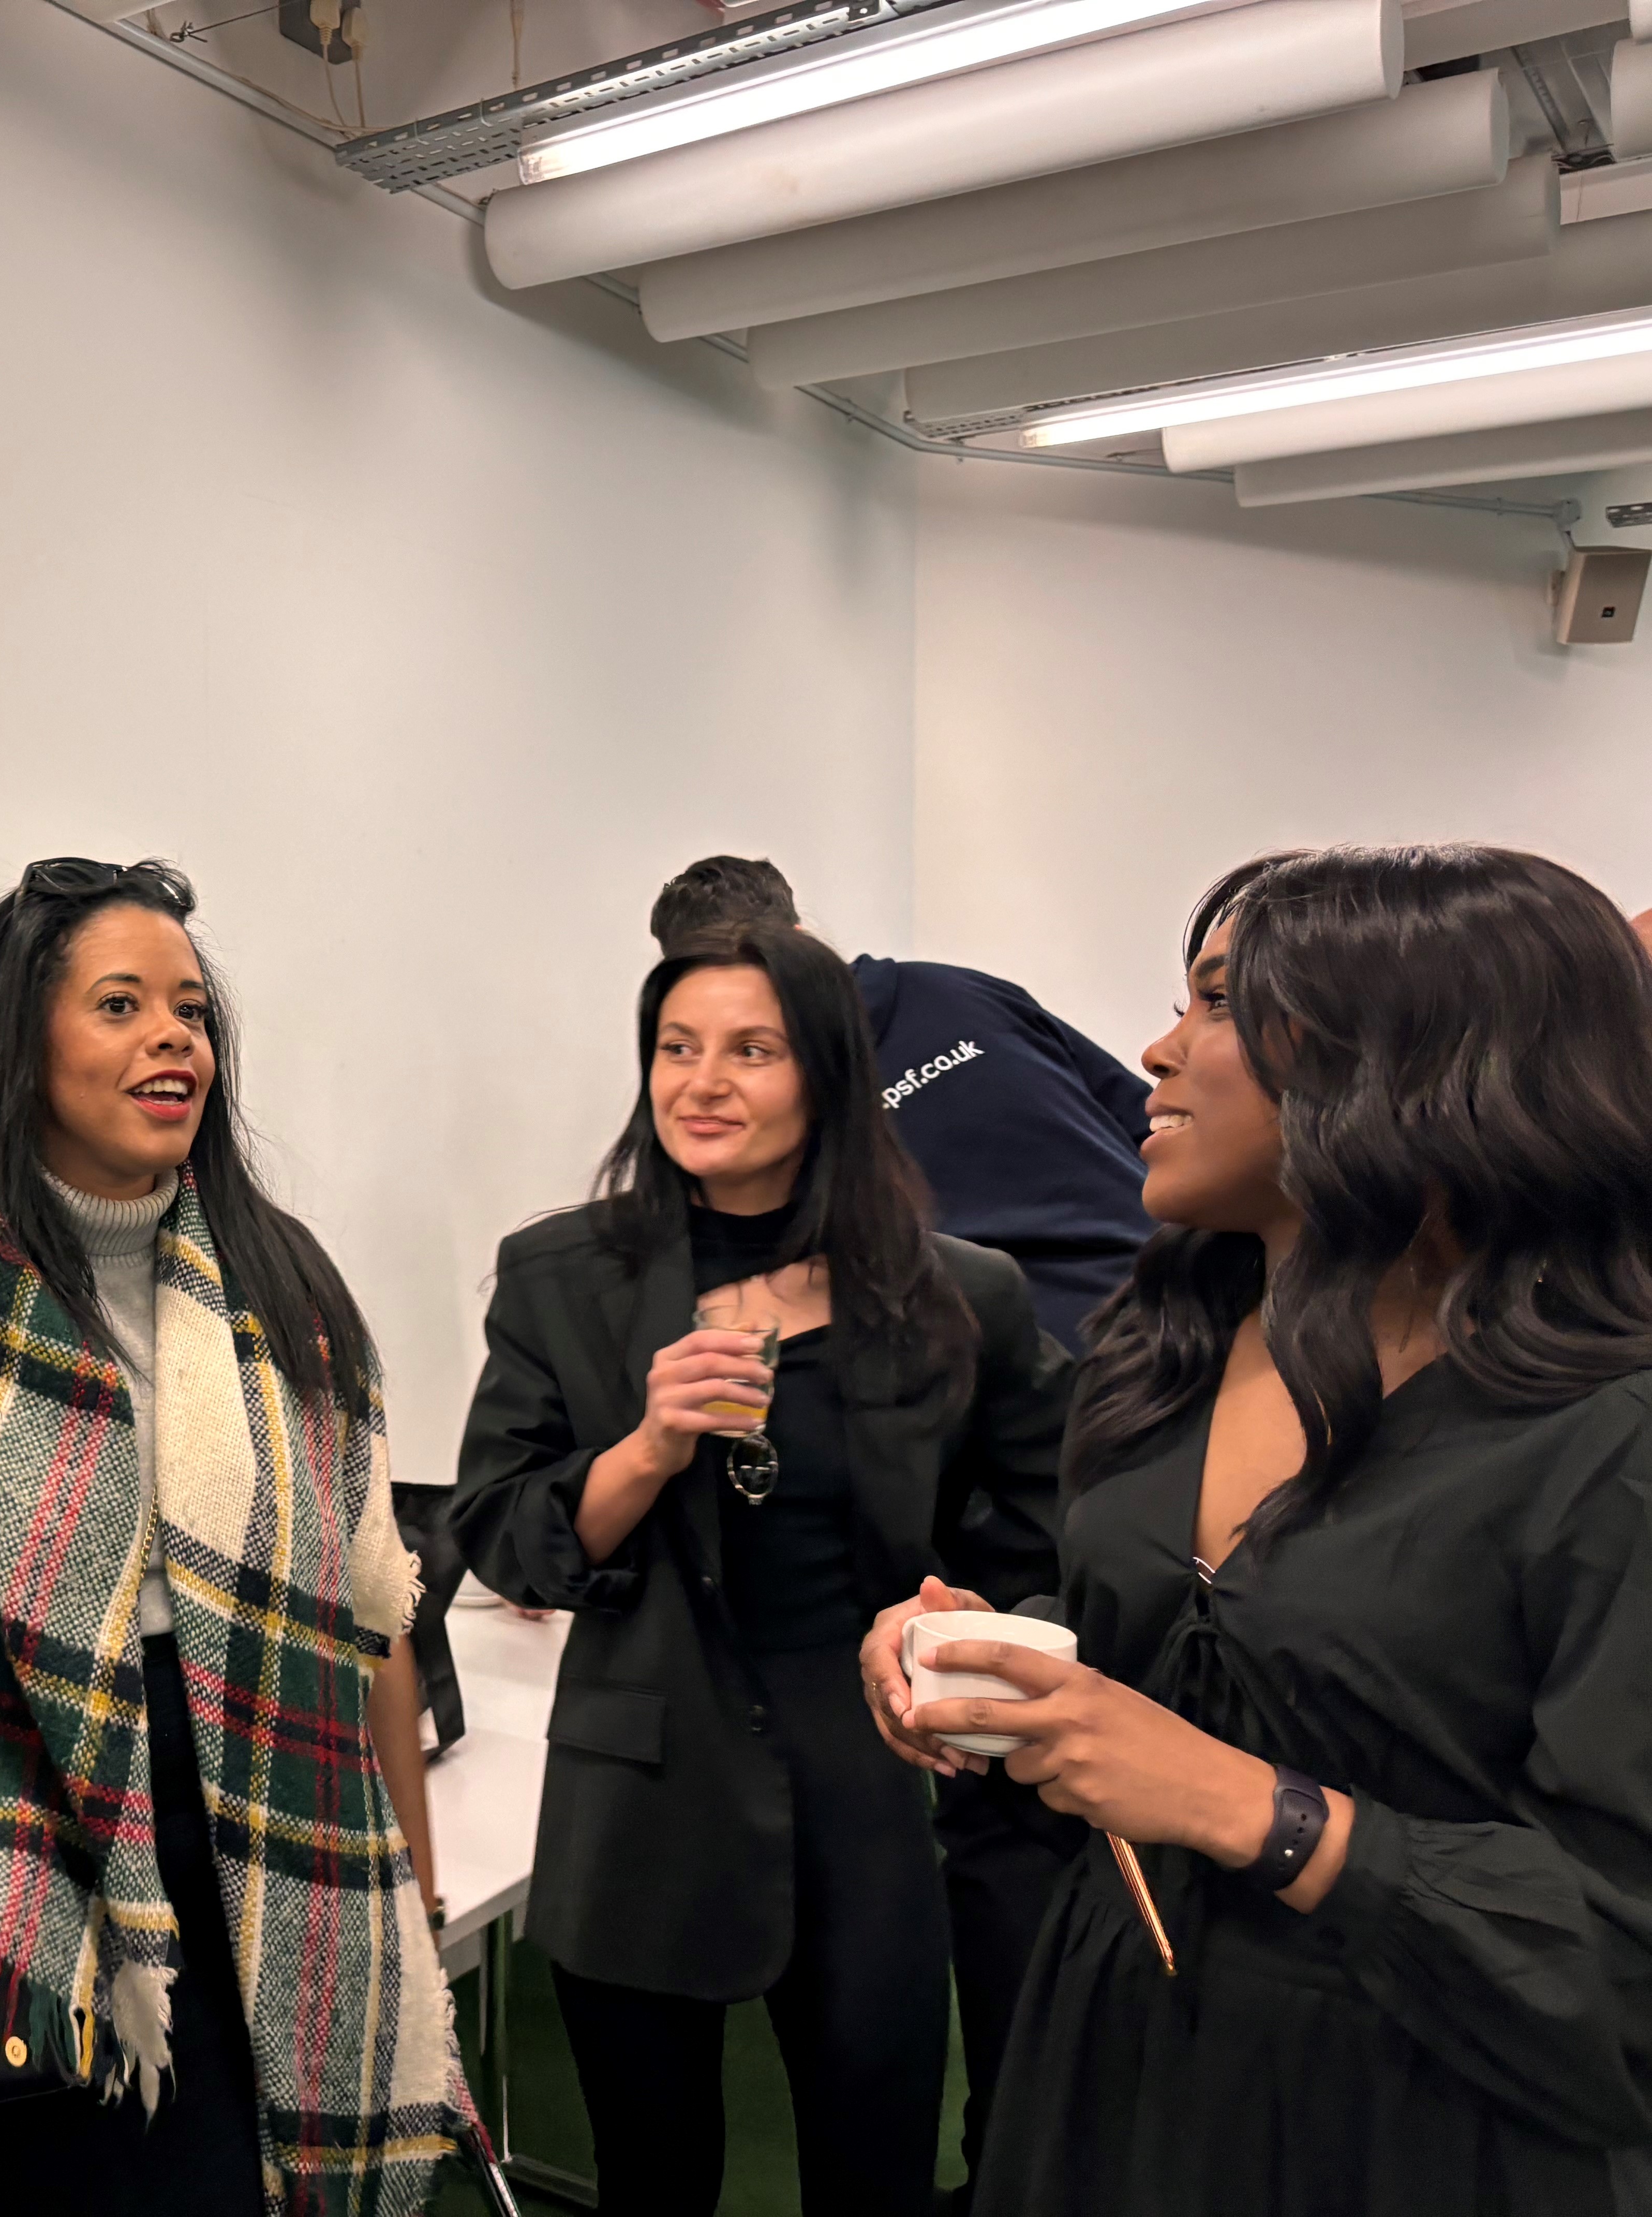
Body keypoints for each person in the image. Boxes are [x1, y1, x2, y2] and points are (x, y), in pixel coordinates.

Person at [865, 843, 1652, 2216]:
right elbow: (1237, 1647)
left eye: (1222, 1003)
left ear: (1414, 1056)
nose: (1157, 1051)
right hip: (1116, 2065)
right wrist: (1019, 1669)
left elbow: (1621, 1957)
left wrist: (1253, 1809)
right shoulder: (1158, 1353)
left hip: (1418, 2126)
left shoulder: (1611, 1432)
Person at [0, 858, 467, 2217]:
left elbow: (376, 1637)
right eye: (121, 1002)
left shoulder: (286, 1291)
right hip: (21, 1912)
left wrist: (415, 1939)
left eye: (191, 1007)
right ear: (18, 1040)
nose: (175, 1035)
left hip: (287, 1872)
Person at [453, 919, 1070, 2217]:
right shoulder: (565, 1276)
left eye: (752, 1050)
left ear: (831, 1076)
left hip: (875, 1786)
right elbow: (506, 1537)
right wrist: (647, 1446)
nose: (702, 1082)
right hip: (642, 1783)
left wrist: (977, 1626)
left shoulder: (963, 1295)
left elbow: (1043, 1542)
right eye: (677, 1047)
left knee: (875, 2169)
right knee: (654, 2178)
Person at [652, 855, 1151, 1354]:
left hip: (1053, 1349)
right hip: (1175, 1293)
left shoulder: (798, 1102)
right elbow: (1152, 1123)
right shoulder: (960, 987)